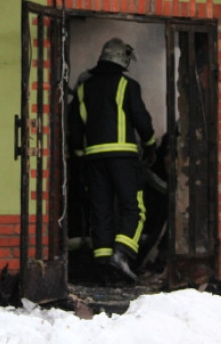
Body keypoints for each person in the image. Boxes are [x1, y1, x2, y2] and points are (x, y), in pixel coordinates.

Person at [68, 37, 157, 282]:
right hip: (123, 159)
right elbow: (142, 120)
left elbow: (74, 129)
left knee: (101, 211)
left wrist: (79, 157)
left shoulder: (84, 89)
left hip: (93, 161)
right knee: (134, 208)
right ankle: (122, 254)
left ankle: (104, 267)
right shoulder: (128, 85)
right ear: (124, 59)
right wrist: (150, 146)